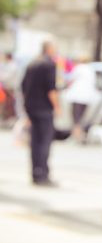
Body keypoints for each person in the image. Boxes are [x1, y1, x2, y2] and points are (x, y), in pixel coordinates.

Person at [21, 41, 60, 186]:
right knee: (44, 142)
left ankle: (35, 173)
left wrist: (26, 107)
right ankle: (43, 174)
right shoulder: (48, 65)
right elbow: (51, 89)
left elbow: (23, 87)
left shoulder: (32, 64)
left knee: (35, 142)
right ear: (49, 49)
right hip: (44, 108)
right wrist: (57, 107)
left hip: (31, 107)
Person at [64, 55, 95, 142]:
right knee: (81, 118)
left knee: (75, 118)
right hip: (87, 98)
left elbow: (70, 79)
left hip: (77, 97)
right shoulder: (90, 69)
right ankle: (79, 136)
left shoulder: (78, 68)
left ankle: (76, 137)